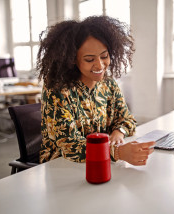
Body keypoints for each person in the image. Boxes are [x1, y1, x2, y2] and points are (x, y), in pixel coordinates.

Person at [37, 16, 155, 166]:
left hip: (100, 161)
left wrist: (119, 132)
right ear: (72, 59)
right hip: (61, 165)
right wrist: (117, 152)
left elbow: (127, 119)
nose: (100, 65)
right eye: (89, 59)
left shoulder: (108, 84)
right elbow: (70, 145)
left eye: (104, 56)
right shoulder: (57, 90)